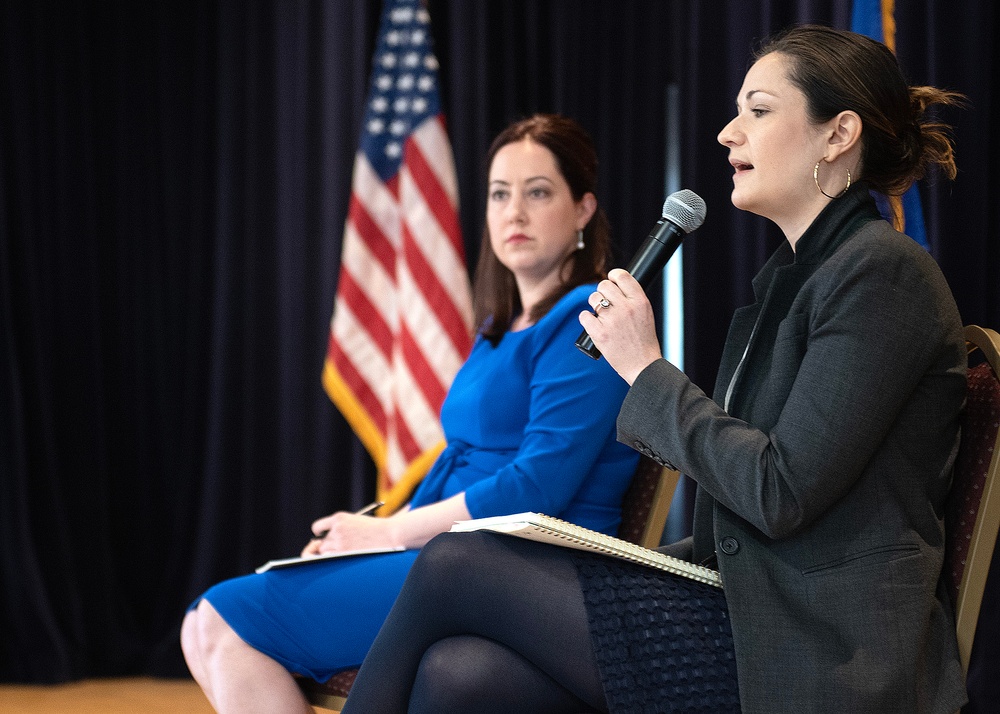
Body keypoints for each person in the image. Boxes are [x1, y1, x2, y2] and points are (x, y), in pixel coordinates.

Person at [340, 25, 969, 714]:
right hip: (750, 608)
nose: (729, 134)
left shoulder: (883, 274)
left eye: (757, 110)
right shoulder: (793, 281)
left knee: (454, 561)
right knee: (459, 673)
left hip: (820, 650)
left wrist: (644, 367)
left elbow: (779, 491)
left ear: (837, 133)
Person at [179, 114, 640, 713]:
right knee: (203, 626)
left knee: (221, 619)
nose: (514, 213)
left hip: (518, 568)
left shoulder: (589, 317)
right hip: (450, 550)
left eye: (538, 192)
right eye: (500, 194)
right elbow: (461, 459)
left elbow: (537, 486)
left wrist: (387, 533)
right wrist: (369, 534)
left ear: (583, 209)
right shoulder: (501, 328)